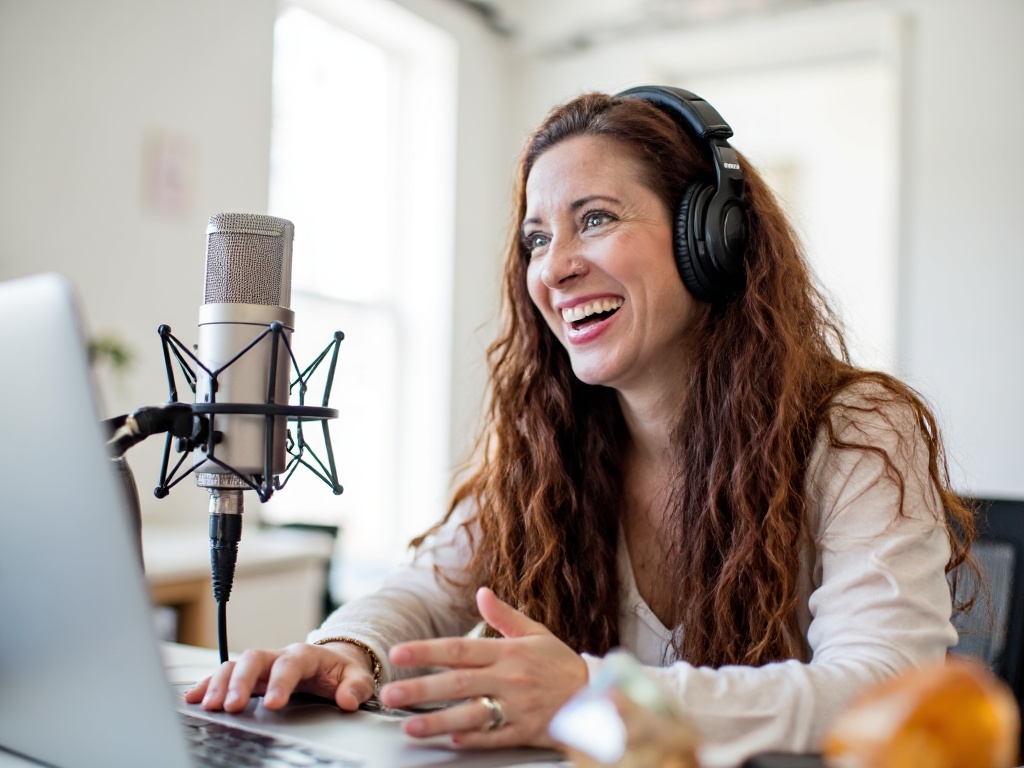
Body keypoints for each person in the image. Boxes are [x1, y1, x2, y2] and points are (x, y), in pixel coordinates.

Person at [185, 86, 977, 766]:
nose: (555, 266)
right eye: (537, 238)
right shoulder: (548, 442)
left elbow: (889, 691)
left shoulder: (857, 431)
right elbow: (423, 593)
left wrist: (595, 697)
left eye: (595, 219)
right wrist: (344, 650)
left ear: (710, 240)